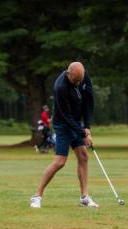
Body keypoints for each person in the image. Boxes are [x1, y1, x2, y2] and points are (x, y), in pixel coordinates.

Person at [30, 62, 98, 208]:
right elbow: (66, 116)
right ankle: (36, 196)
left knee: (83, 156)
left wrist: (87, 127)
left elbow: (88, 102)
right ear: (68, 74)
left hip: (76, 123)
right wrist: (82, 132)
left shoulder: (83, 77)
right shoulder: (60, 87)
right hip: (63, 124)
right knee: (60, 161)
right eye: (75, 81)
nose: (79, 83)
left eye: (81, 80)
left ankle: (84, 197)